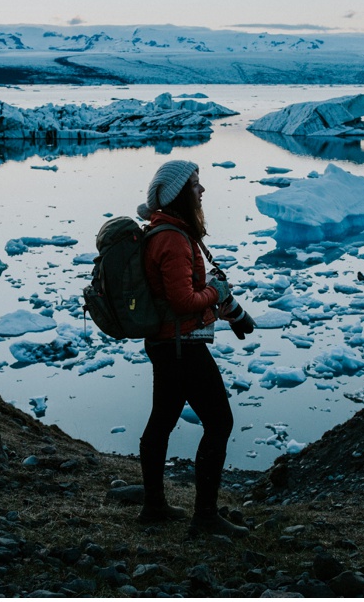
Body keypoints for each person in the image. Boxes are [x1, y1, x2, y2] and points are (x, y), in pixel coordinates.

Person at [135, 159, 255, 537]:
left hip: (168, 343)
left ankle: (154, 506)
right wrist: (217, 293)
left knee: (163, 419)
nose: (202, 191)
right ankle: (204, 518)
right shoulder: (172, 238)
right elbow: (184, 301)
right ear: (176, 195)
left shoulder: (172, 232)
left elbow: (179, 300)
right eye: (195, 185)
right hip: (181, 346)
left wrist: (225, 311)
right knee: (220, 422)